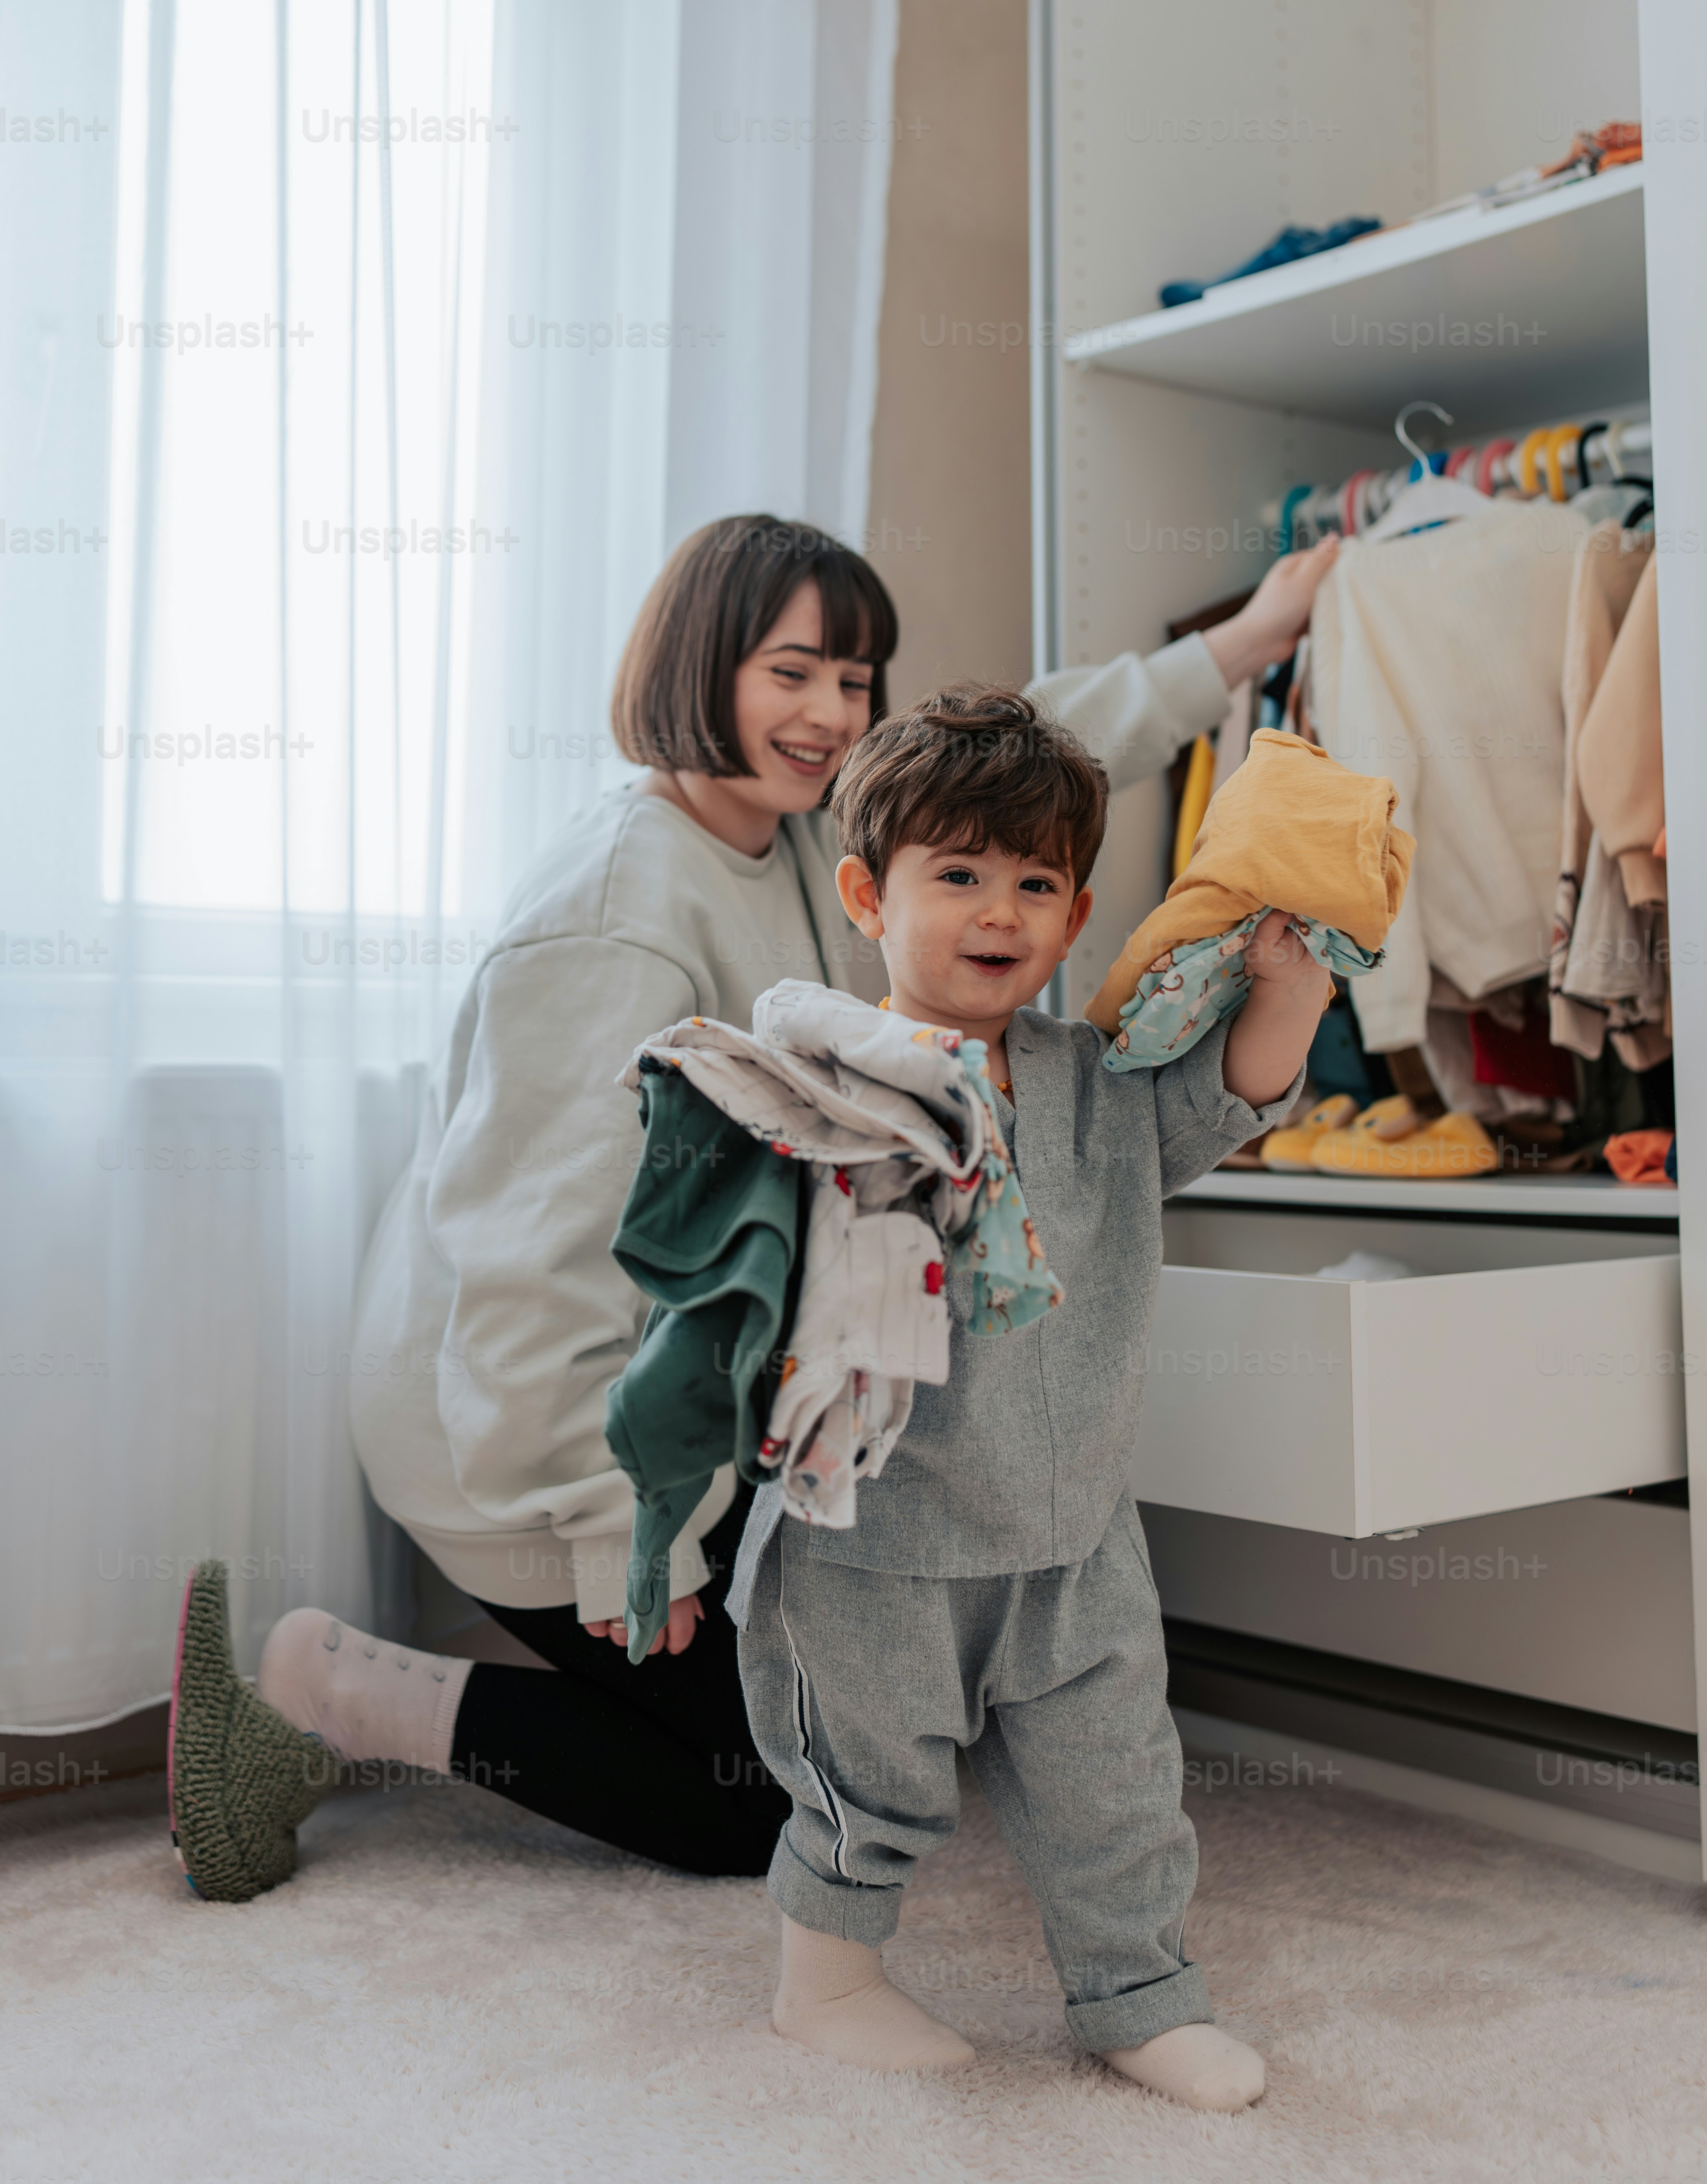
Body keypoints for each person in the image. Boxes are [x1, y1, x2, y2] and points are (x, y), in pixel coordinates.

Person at [166, 514, 1338, 1904]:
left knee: (864, 1716)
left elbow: (1018, 755)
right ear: (699, 662)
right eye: (793, 673)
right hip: (520, 1426)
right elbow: (532, 1260)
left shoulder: (792, 833)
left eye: (854, 679)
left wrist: (1242, 646)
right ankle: (324, 1686)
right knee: (765, 1795)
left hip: (678, 1399)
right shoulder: (616, 915)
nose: (831, 714)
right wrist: (618, 1529)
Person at [733, 686, 1332, 2110]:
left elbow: (1223, 1103)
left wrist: (1289, 996)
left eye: (1034, 884)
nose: (997, 911)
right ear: (870, 894)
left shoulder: (1095, 1085)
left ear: (1072, 920)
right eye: (958, 876)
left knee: (1116, 1784)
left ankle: (1136, 1995)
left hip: (1073, 1540)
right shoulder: (833, 1082)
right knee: (865, 1782)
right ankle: (824, 1983)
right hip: (871, 1545)